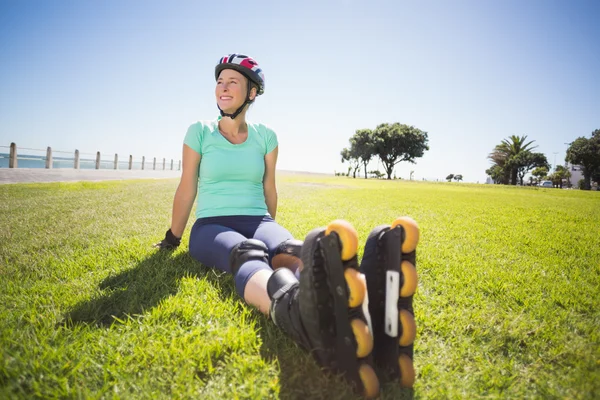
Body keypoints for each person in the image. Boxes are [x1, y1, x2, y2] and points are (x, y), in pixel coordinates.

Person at [156, 54, 419, 398]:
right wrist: (172, 239)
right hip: (211, 226)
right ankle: (292, 310)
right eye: (220, 82)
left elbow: (269, 187)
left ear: (251, 93)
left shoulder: (266, 136)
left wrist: (275, 238)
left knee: (292, 249)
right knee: (247, 253)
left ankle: (366, 300)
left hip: (259, 219)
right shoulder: (200, 131)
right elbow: (187, 184)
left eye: (233, 82)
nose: (223, 87)